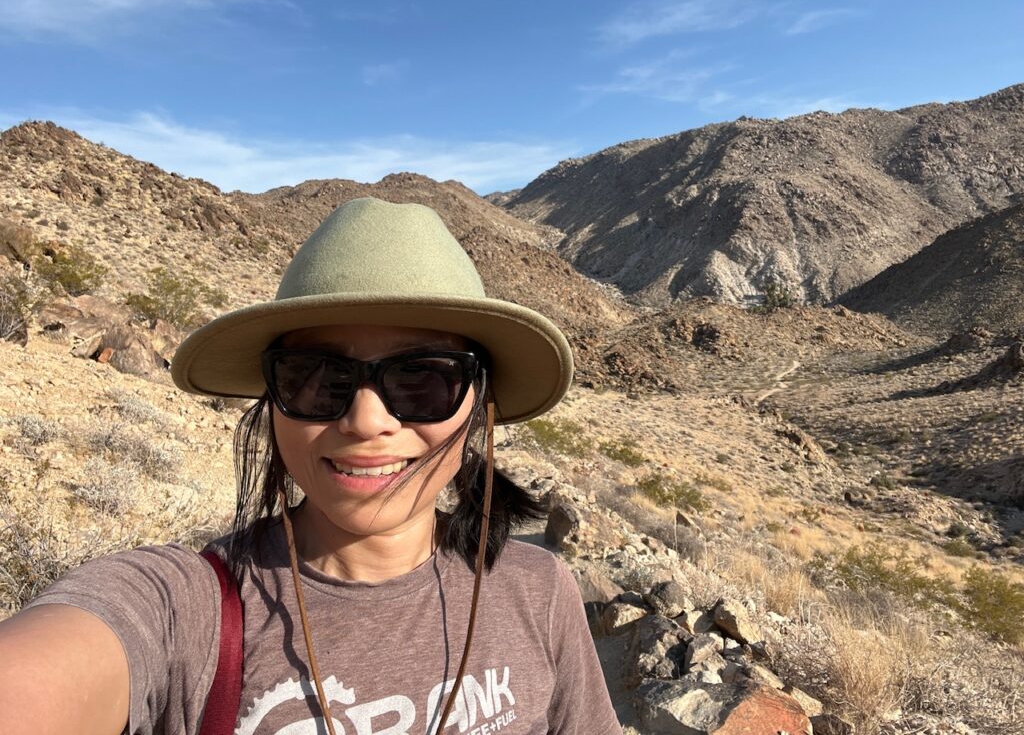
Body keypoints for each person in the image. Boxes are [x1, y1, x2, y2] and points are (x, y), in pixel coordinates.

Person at [0, 197, 623, 735]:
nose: (366, 421)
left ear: (478, 404)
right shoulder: (188, 609)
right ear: (273, 402)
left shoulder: (537, 591)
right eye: (319, 378)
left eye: (422, 379)